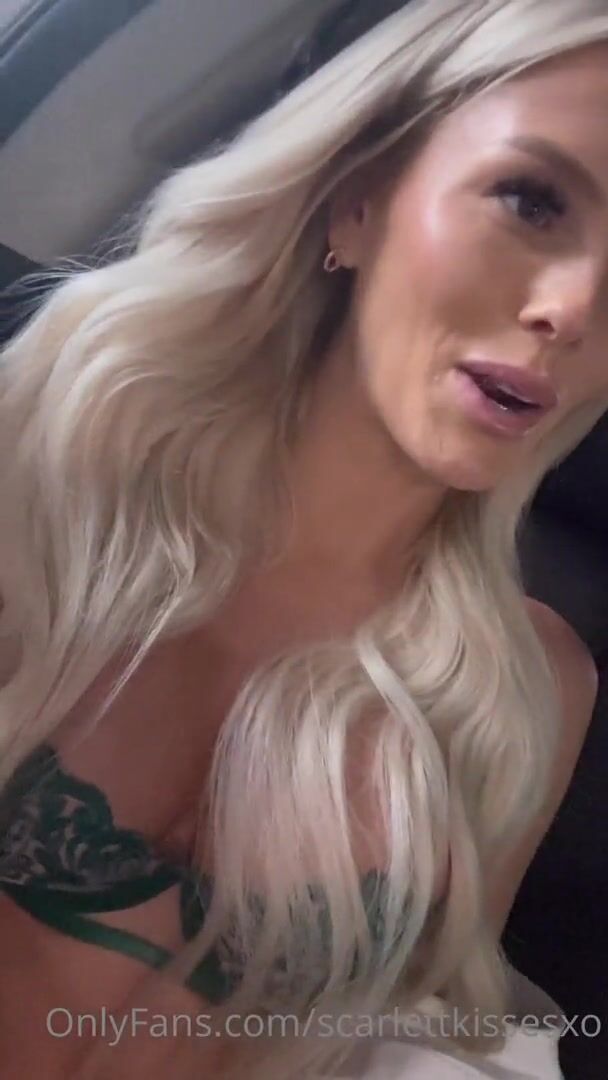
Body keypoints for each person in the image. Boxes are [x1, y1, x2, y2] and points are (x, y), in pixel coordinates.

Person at [0, 0, 606, 1076]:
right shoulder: (40, 471)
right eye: (531, 200)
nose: (575, 307)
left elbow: (431, 1041)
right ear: (357, 197)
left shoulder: (526, 693)